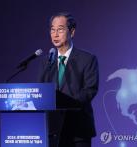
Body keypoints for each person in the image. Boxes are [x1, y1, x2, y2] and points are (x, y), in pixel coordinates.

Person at [38, 12, 99, 147]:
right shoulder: (47, 62)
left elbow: (90, 90)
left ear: (72, 32)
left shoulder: (87, 59)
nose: (55, 34)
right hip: (52, 130)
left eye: (60, 29)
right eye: (52, 30)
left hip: (78, 129)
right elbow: (41, 91)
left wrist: (66, 103)